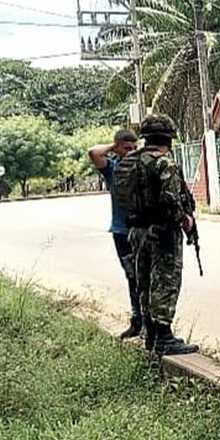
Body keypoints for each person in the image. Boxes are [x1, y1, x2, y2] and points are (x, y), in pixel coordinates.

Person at [126, 114, 199, 356]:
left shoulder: (132, 161)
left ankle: (151, 334)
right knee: (165, 282)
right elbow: (170, 200)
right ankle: (164, 337)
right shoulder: (164, 163)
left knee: (144, 281)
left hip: (137, 231)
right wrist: (185, 220)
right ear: (168, 138)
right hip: (162, 231)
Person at [89, 128, 141, 338]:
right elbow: (94, 153)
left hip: (142, 231)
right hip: (121, 232)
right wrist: (114, 146)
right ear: (117, 148)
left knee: (145, 277)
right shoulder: (112, 168)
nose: (131, 152)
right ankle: (137, 320)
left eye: (134, 148)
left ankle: (149, 322)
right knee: (132, 276)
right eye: (126, 148)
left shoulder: (140, 166)